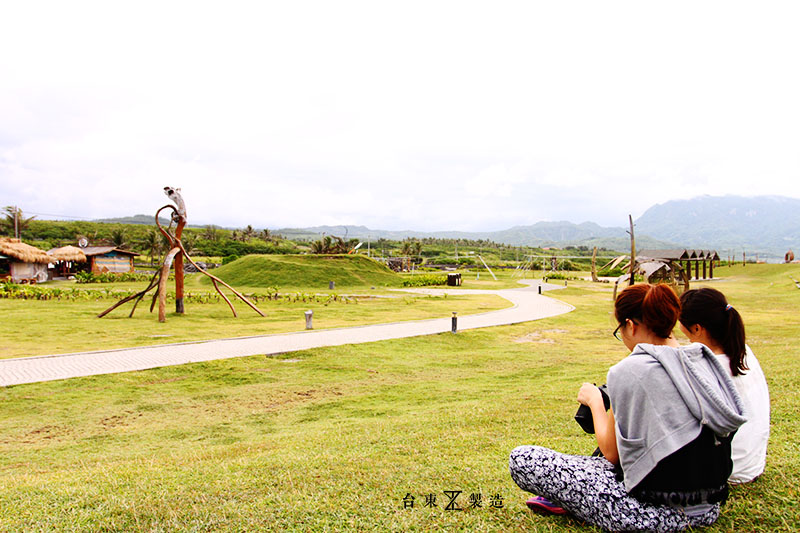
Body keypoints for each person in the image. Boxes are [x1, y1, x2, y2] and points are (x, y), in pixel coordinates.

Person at [509, 283, 747, 532]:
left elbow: (611, 452)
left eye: (620, 329)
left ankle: (573, 501)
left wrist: (595, 401)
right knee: (592, 466)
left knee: (523, 458)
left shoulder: (629, 370)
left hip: (647, 515)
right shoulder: (702, 358)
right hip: (708, 506)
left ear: (631, 326)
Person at [679, 287, 770, 483]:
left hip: (728, 468)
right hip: (750, 462)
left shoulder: (704, 367)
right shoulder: (743, 351)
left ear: (696, 328)